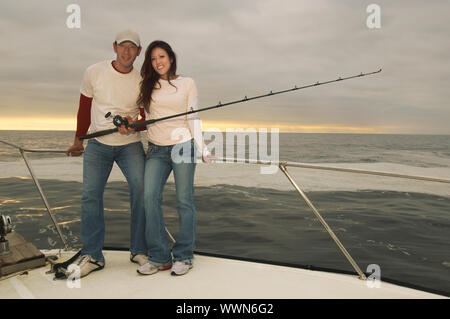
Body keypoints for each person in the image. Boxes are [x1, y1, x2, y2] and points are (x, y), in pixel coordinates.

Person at [65, 30, 148, 277]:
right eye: (122, 46)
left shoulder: (143, 79)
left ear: (139, 52)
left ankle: (139, 249)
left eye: (132, 48)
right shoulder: (94, 71)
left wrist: (135, 123)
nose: (126, 52)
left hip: (130, 144)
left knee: (142, 191)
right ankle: (92, 255)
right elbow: (84, 107)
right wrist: (78, 140)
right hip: (98, 145)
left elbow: (147, 117)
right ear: (114, 47)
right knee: (90, 196)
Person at [136, 40, 213, 276]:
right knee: (149, 198)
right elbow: (146, 118)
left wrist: (203, 148)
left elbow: (193, 117)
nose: (158, 62)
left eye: (161, 57)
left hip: (183, 146)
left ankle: (184, 255)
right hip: (156, 150)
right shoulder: (147, 86)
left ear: (171, 58)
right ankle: (159, 256)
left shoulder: (186, 83)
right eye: (153, 58)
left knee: (184, 201)